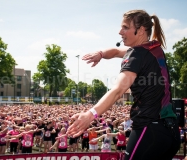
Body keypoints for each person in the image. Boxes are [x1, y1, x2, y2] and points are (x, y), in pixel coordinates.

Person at [67, 9, 180, 160]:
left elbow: (118, 90)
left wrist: (90, 114)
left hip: (149, 130)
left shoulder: (136, 54)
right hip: (170, 133)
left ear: (140, 31)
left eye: (126, 27)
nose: (120, 31)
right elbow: (114, 51)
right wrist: (100, 54)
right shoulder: (154, 49)